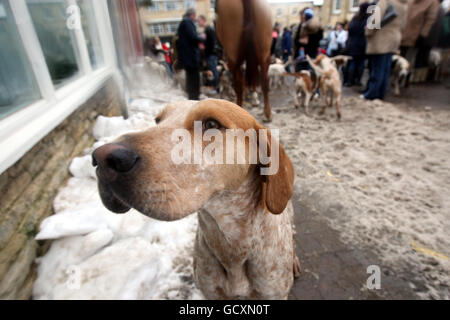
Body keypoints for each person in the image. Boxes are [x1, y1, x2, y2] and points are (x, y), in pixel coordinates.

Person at [364, 0, 408, 100]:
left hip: (381, 37)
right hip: (394, 37)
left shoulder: (385, 1)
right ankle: (380, 93)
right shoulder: (403, 4)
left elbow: (375, 21)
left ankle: (372, 94)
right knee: (385, 68)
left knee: (377, 68)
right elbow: (403, 24)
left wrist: (368, 32)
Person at [400, 0, 440, 82]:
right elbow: (430, 19)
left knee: (408, 58)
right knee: (406, 59)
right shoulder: (432, 2)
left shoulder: (431, 2)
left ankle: (406, 78)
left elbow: (430, 20)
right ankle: (403, 78)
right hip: (409, 34)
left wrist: (423, 35)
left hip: (411, 34)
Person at [176, 8, 205, 100]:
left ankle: (193, 96)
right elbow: (192, 36)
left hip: (188, 57)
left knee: (191, 77)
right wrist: (202, 38)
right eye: (195, 15)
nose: (195, 18)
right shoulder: (187, 22)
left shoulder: (184, 22)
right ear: (192, 14)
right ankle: (194, 97)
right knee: (193, 78)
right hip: (190, 57)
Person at [344, 2, 371, 87]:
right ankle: (357, 80)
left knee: (352, 62)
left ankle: (349, 80)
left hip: (352, 44)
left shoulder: (354, 18)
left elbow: (350, 30)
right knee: (360, 63)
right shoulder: (368, 19)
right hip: (362, 44)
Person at [197, 15, 219, 93]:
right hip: (211, 54)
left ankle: (216, 88)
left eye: (199, 21)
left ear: (203, 20)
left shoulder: (208, 29)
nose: (198, 23)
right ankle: (214, 87)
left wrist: (204, 47)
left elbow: (213, 43)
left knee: (213, 71)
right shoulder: (208, 29)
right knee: (212, 71)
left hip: (211, 54)